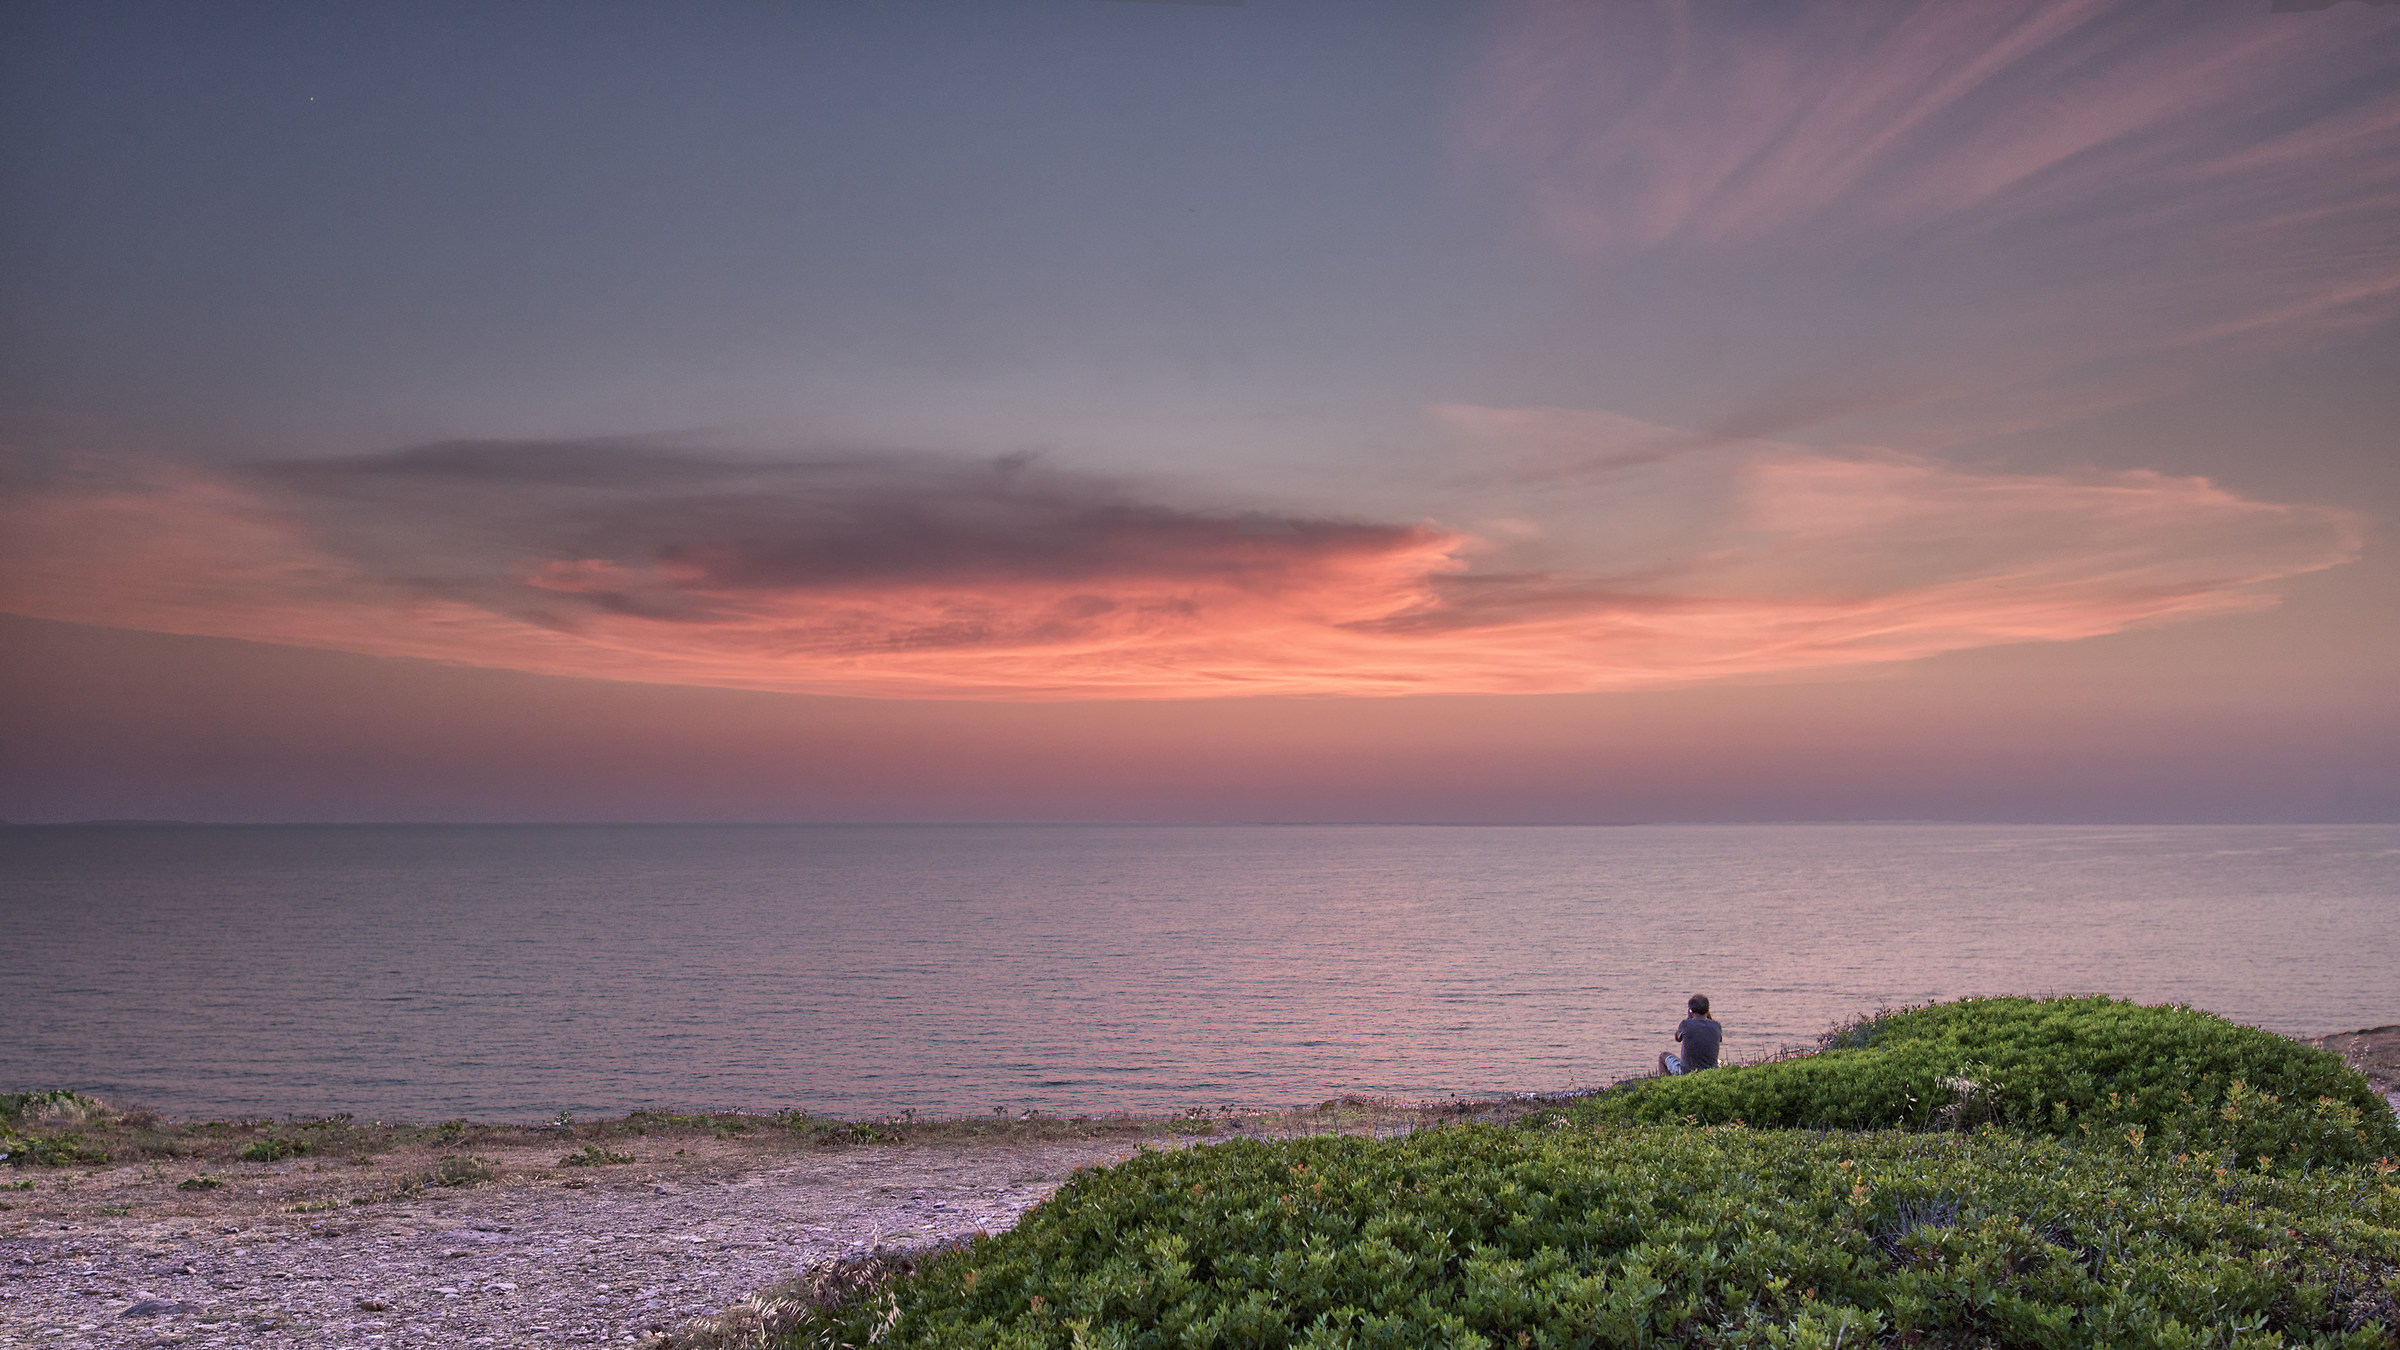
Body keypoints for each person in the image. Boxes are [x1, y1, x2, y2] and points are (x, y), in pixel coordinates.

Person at [1658, 995, 1720, 1076]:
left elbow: (1677, 1038)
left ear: (1690, 1010)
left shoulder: (1685, 1024)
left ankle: (1665, 1083)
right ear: (1708, 1010)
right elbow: (1718, 1038)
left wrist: (1689, 1018)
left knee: (1663, 1056)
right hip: (1710, 1071)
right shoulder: (1716, 1026)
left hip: (1687, 1072)